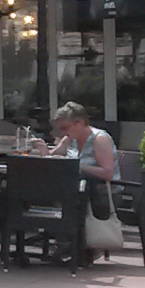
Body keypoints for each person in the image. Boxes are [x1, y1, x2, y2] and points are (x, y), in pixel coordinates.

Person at [46, 102, 118, 263]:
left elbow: (108, 173)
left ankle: (73, 247)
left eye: (64, 128)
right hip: (77, 190)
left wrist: (76, 165)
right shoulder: (70, 139)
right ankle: (68, 245)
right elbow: (51, 157)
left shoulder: (100, 139)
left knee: (64, 200)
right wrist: (40, 149)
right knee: (51, 195)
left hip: (102, 192)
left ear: (79, 123)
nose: (62, 132)